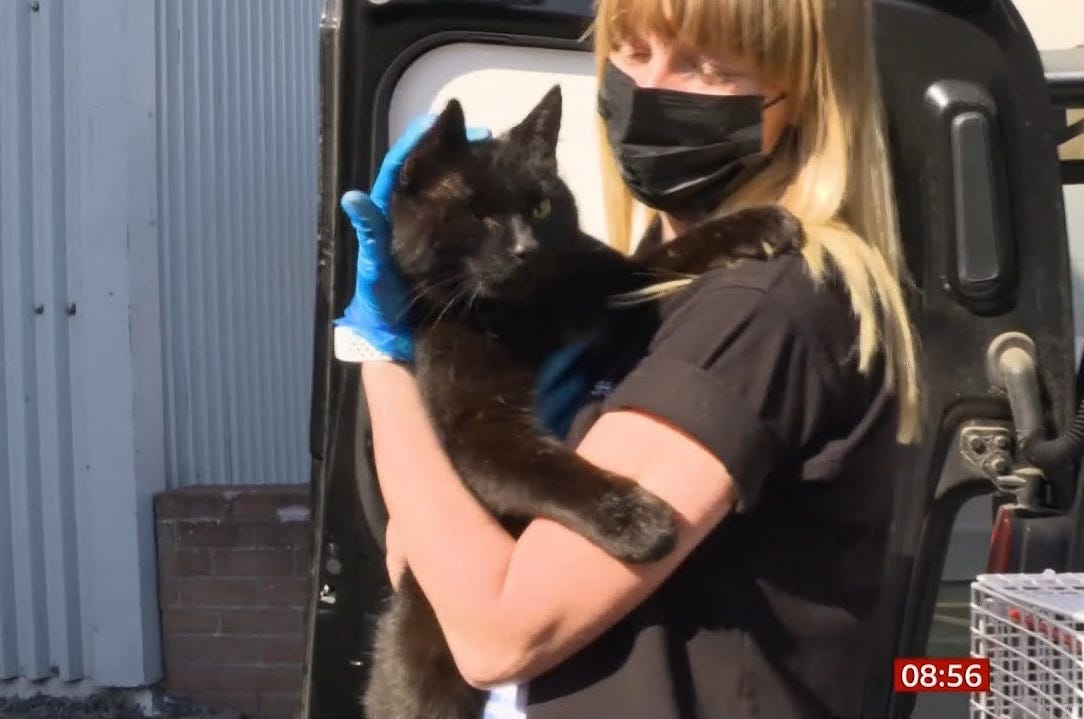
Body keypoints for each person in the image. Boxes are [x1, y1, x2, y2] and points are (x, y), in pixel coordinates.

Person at [332, 0, 922, 716]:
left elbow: (498, 633)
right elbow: (414, 550)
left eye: (707, 68)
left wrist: (377, 355)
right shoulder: (647, 290)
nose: (651, 89)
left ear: (802, 97)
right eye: (634, 52)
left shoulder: (761, 311)